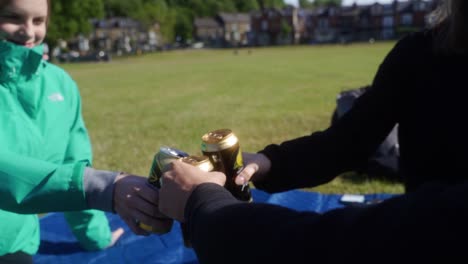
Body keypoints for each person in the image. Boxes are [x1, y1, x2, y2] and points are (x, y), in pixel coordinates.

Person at [158, 0, 468, 263]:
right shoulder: (421, 53)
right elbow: (348, 141)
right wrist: (269, 162)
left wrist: (204, 207)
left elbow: (337, 246)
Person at [0, 0, 167, 263]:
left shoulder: (60, 84)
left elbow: (74, 165)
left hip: (19, 247)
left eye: (38, 20)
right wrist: (103, 188)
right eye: (13, 17)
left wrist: (96, 236)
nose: (29, 32)